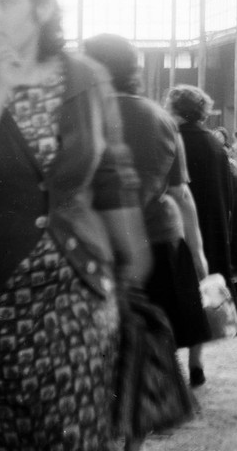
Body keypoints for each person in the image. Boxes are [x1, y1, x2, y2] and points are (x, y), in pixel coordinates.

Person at [0, 0, 151, 450]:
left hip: (73, 308)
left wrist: (133, 257)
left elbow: (112, 176)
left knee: (74, 438)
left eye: (4, 2)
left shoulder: (85, 78)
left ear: (44, 9)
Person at [82, 33, 211, 354]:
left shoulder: (83, 115)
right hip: (159, 239)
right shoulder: (161, 118)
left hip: (98, 244)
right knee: (157, 341)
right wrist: (197, 252)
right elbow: (181, 194)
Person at [163, 84, 234, 388]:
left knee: (172, 297)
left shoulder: (171, 139)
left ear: (174, 108)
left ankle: (170, 364)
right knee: (202, 295)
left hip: (179, 229)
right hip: (212, 229)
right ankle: (196, 363)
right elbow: (229, 191)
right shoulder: (215, 143)